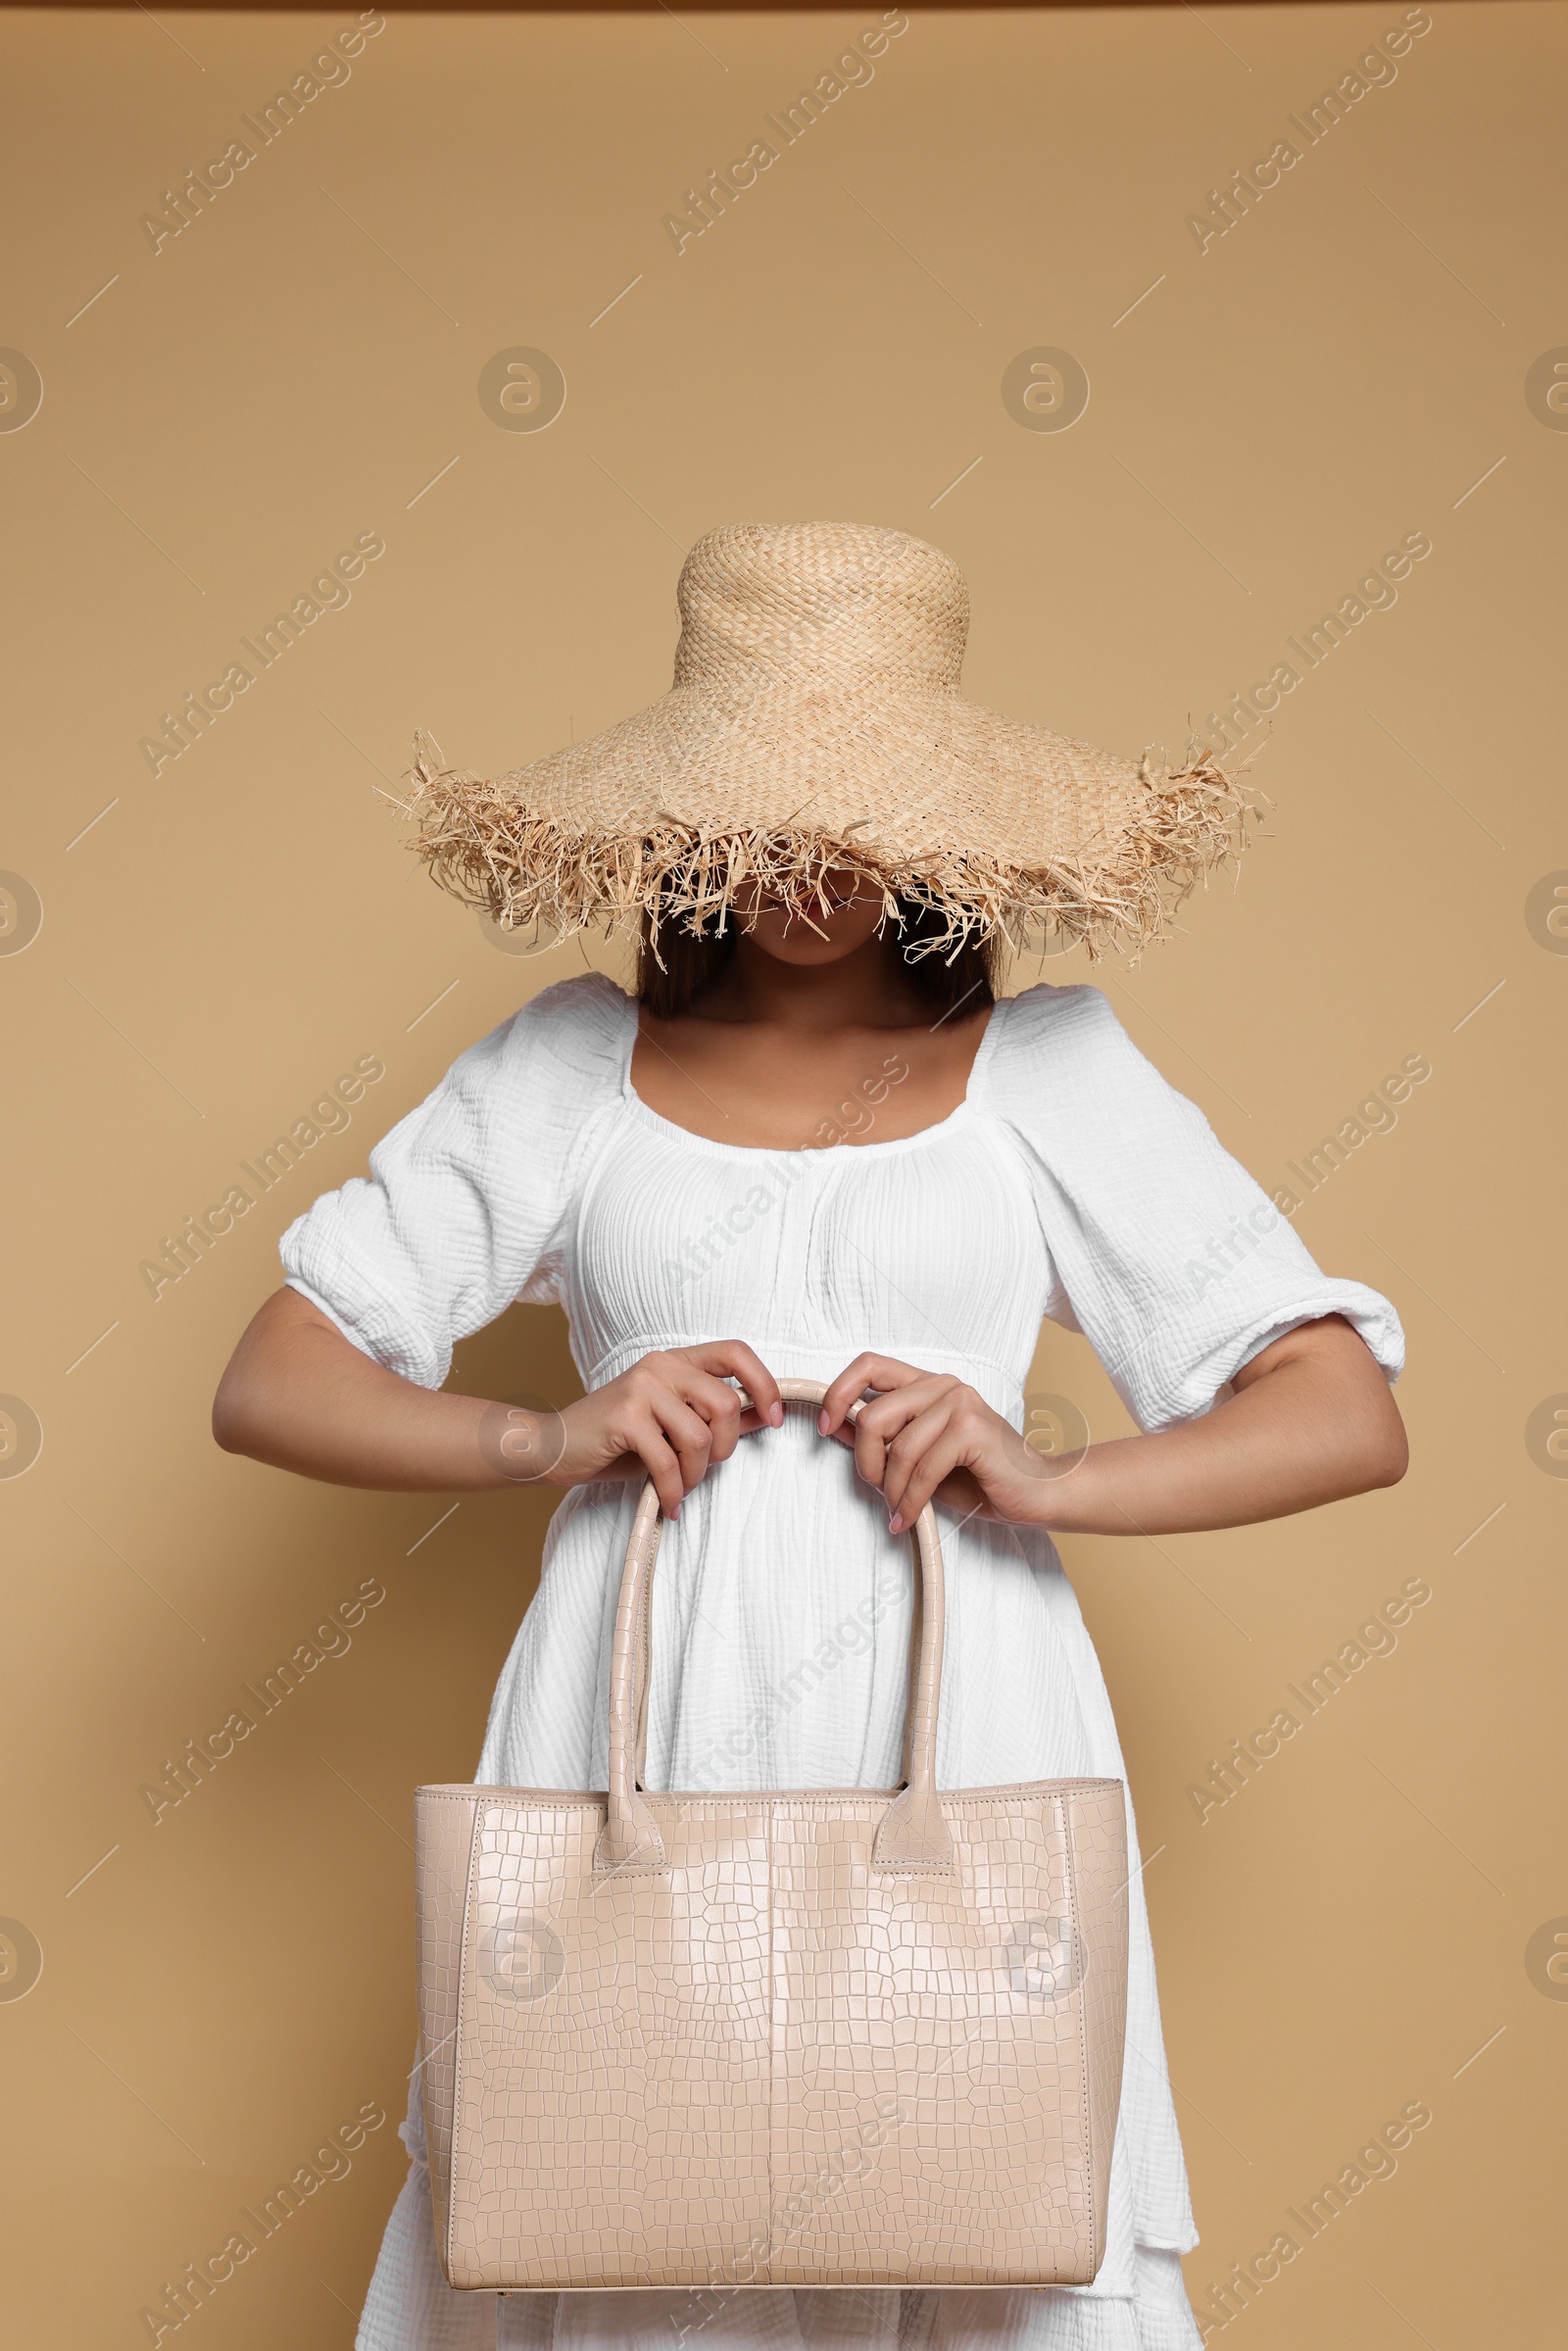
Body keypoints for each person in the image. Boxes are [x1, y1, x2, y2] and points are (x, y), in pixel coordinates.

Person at [214, 523, 1406, 2351]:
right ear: (684, 821)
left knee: (985, 2176)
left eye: (853, 824)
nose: (807, 876)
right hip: (641, 1698)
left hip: (968, 1696)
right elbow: (276, 1377)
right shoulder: (563, 1066)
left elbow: (1342, 1408)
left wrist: (1054, 1471)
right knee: (613, 2178)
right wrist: (553, 1432)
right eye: (760, 818)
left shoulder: (1052, 1068)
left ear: (939, 832)